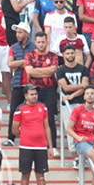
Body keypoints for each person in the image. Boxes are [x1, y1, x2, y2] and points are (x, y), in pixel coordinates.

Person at [23, 32, 58, 160]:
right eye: (38, 42)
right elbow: (29, 71)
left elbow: (52, 70)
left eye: (43, 42)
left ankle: (52, 145)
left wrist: (36, 72)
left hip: (49, 89)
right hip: (33, 89)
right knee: (33, 117)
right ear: (35, 42)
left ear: (46, 42)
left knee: (49, 118)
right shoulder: (29, 55)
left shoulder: (53, 55)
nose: (41, 44)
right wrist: (45, 72)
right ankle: (36, 144)